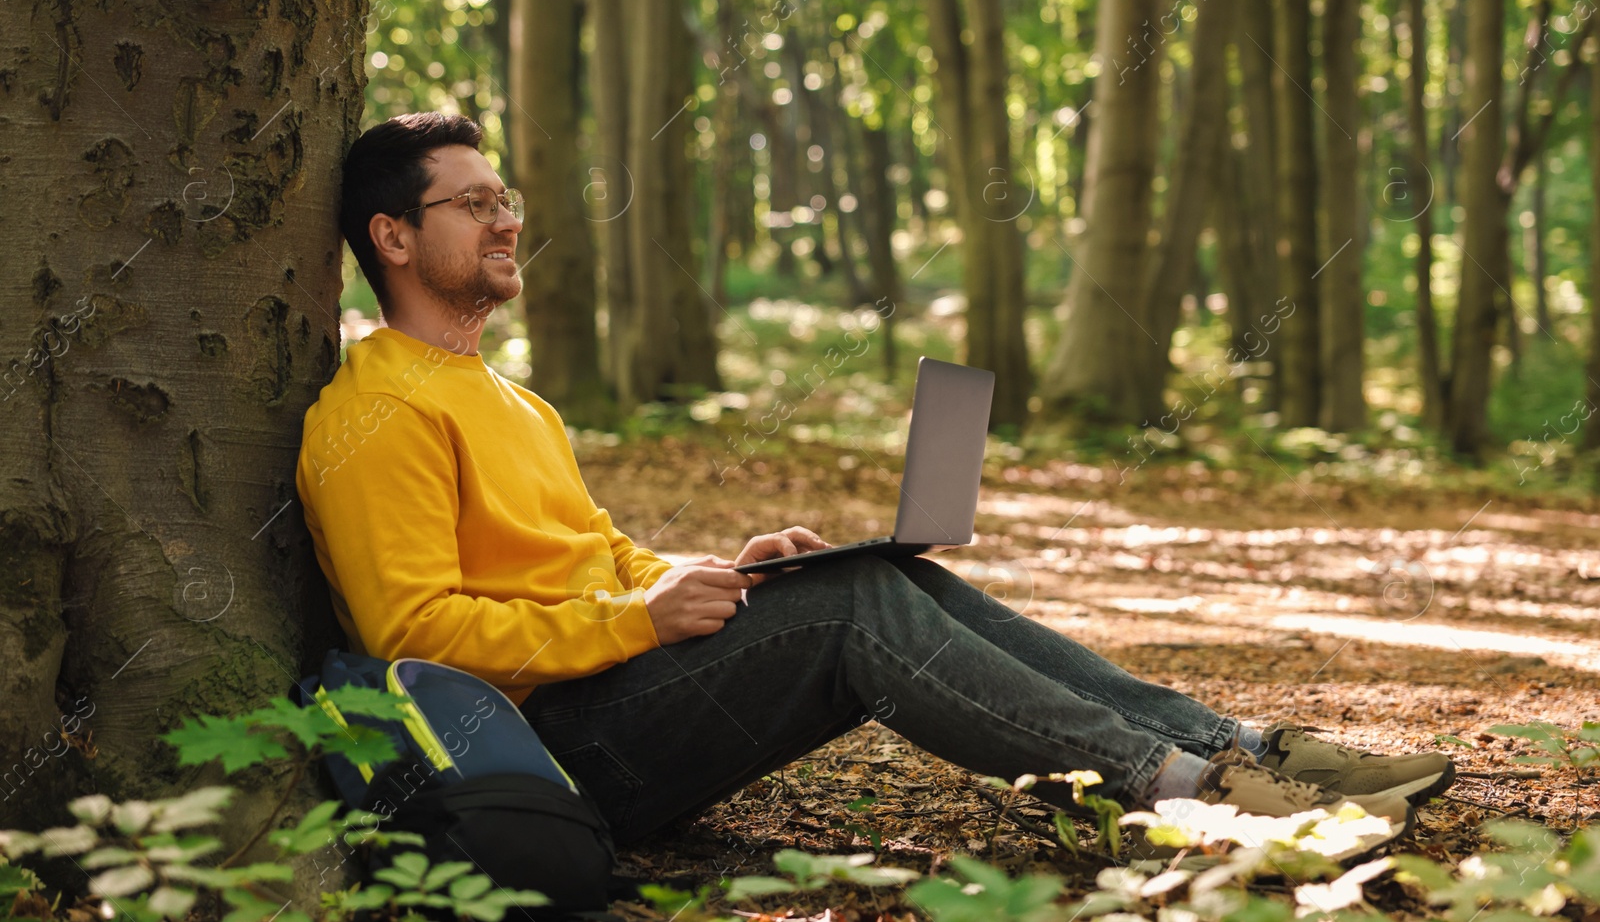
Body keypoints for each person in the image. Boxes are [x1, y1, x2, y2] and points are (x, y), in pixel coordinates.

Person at [296, 111, 1454, 860]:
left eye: (507, 197)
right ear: (393, 236)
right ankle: (1189, 799)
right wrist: (633, 617)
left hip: (617, 684)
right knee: (855, 609)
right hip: (553, 749)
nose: (509, 220)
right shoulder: (375, 408)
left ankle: (1252, 747)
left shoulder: (510, 397)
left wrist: (717, 573)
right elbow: (415, 633)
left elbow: (591, 552)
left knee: (873, 575)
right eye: (475, 203)